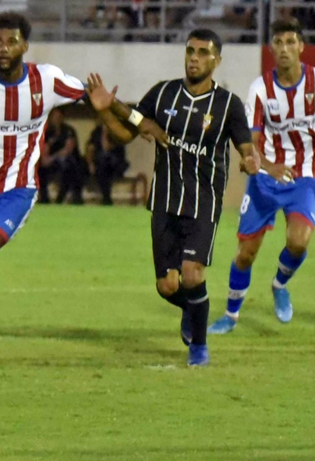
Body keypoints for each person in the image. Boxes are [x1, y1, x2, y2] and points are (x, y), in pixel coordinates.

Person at [86, 29, 260, 366]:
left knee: (193, 275)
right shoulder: (164, 94)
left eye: (203, 52)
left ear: (217, 60)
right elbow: (125, 132)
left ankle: (199, 346)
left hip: (203, 202)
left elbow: (246, 146)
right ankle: (193, 310)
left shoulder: (228, 104)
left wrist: (250, 159)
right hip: (165, 200)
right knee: (168, 287)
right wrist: (105, 111)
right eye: (190, 50)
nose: (194, 57)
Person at [0, 12, 88, 360]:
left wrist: (114, 110)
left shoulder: (47, 80)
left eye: (11, 41)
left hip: (18, 188)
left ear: (25, 45)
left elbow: (86, 94)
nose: (3, 47)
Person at [210, 18, 315, 335]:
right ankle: (230, 314)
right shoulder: (259, 89)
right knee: (246, 253)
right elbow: (250, 143)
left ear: (301, 47)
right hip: (265, 180)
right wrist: (264, 165)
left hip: (303, 176)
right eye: (278, 42)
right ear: (271, 48)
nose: (284, 48)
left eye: (290, 42)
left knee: (298, 240)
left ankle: (279, 285)